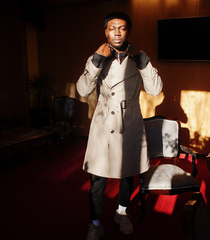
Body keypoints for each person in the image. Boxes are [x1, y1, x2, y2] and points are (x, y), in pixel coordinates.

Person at [76, 11, 163, 240]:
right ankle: (94, 224)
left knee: (127, 176)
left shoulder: (138, 58)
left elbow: (155, 89)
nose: (117, 32)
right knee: (98, 179)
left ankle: (121, 213)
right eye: (112, 28)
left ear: (127, 32)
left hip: (130, 122)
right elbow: (83, 90)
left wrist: (143, 58)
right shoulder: (97, 57)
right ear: (105, 31)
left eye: (122, 28)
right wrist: (96, 60)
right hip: (104, 122)